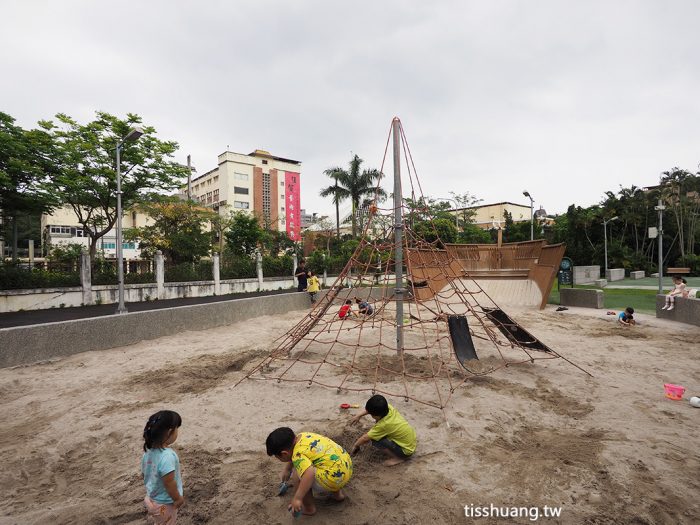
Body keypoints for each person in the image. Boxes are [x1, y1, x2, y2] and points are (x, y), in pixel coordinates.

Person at [266, 427, 352, 517]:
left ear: (284, 454)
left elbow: (309, 473)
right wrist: (287, 469)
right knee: (325, 462)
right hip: (346, 466)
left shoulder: (297, 455)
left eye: (277, 457)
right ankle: (338, 495)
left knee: (298, 473)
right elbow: (297, 454)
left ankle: (309, 508)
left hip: (333, 479)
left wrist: (297, 498)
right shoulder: (303, 436)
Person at [142, 410, 184, 524]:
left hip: (151, 498)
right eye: (177, 429)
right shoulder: (167, 456)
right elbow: (169, 482)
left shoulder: (148, 451)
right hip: (164, 504)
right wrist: (177, 498)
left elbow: (146, 473)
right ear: (170, 432)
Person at [351, 394, 417, 467]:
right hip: (410, 440)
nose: (371, 415)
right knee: (379, 433)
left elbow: (365, 438)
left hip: (405, 450)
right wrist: (359, 415)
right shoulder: (388, 407)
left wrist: (356, 445)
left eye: (371, 415)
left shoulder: (384, 425)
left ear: (376, 415)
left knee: (376, 440)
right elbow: (371, 410)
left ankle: (398, 458)